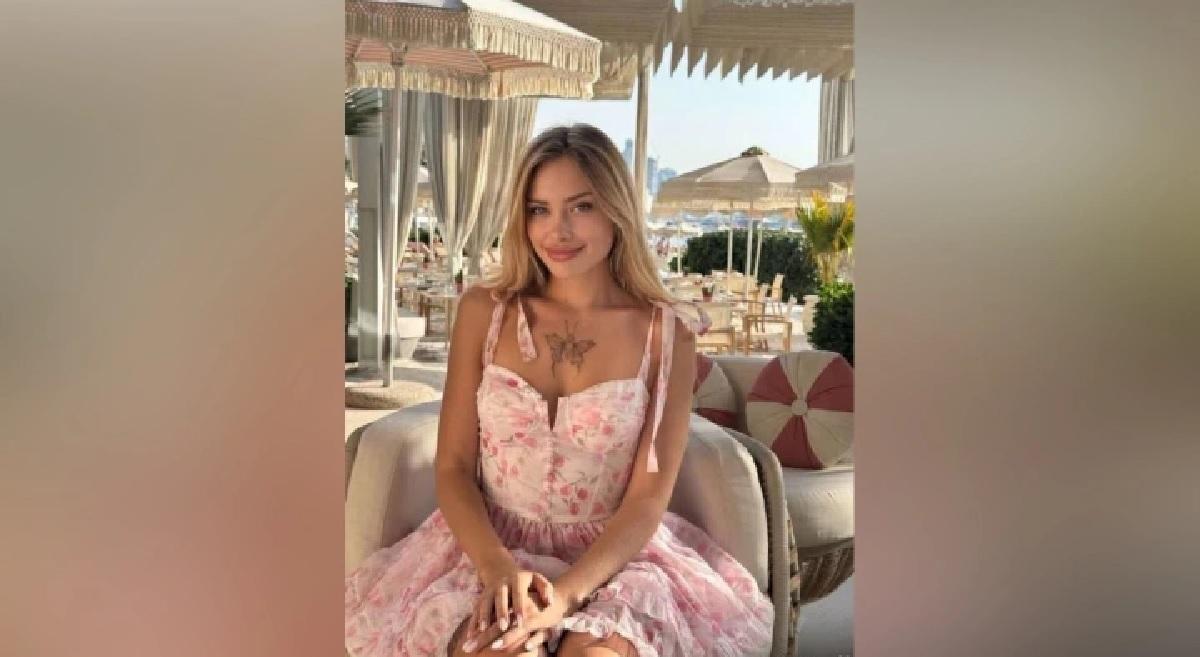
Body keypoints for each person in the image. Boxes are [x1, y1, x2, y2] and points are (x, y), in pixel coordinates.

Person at [346, 124, 773, 657]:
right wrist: (497, 569)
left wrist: (566, 596)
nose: (558, 230)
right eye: (539, 209)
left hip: (615, 562)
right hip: (488, 550)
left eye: (581, 207)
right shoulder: (485, 312)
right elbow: (453, 466)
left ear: (616, 209)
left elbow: (647, 497)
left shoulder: (666, 333)